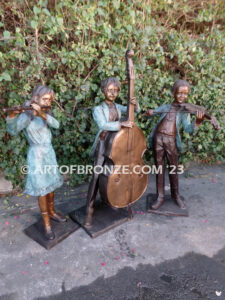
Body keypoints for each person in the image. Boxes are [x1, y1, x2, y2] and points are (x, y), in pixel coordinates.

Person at [6, 85, 65, 240]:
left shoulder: (45, 112)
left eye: (50, 100)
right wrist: (11, 117)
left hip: (49, 152)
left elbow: (57, 125)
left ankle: (52, 212)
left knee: (51, 185)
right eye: (45, 99)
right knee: (41, 189)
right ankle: (46, 224)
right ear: (36, 99)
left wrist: (42, 113)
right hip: (36, 155)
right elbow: (13, 131)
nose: (48, 102)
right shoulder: (27, 115)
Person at [84, 77, 140, 226]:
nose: (112, 93)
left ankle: (111, 199)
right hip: (103, 145)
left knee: (113, 174)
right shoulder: (98, 109)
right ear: (103, 91)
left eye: (115, 90)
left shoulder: (118, 106)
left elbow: (133, 111)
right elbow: (103, 124)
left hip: (116, 145)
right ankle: (89, 208)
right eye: (109, 90)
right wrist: (121, 123)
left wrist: (134, 104)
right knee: (97, 175)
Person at [144, 79, 204, 210]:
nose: (182, 96)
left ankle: (175, 195)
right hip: (158, 139)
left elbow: (188, 129)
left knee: (173, 168)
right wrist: (149, 113)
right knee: (159, 168)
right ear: (173, 93)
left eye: (185, 93)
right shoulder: (165, 107)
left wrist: (197, 123)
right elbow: (151, 113)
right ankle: (160, 196)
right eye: (179, 93)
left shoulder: (184, 111)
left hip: (171, 141)